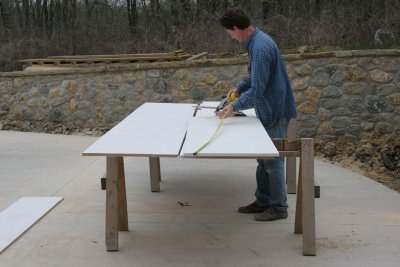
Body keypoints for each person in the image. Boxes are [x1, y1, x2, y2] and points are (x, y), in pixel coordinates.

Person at [218, 7, 297, 221]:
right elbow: (255, 78)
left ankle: (279, 207)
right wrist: (238, 87)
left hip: (275, 111)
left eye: (230, 33)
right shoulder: (256, 42)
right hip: (268, 108)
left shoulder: (260, 47)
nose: (231, 37)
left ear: (235, 28)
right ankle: (263, 201)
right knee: (263, 160)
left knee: (272, 161)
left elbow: (259, 89)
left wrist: (233, 107)